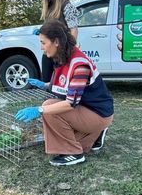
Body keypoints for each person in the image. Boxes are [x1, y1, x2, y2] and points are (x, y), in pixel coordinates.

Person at [16, 20, 114, 166]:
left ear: (56, 41)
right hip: (89, 110)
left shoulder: (80, 64)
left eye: (43, 42)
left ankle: (73, 153)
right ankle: (94, 134)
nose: (41, 47)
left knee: (49, 108)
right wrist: (45, 85)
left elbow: (71, 103)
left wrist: (39, 110)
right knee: (74, 138)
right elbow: (67, 84)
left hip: (98, 113)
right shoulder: (64, 56)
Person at [37, 0, 80, 82]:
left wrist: (68, 52)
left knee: (60, 88)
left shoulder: (67, 7)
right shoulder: (50, 7)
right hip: (48, 53)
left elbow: (74, 30)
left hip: (61, 55)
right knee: (47, 85)